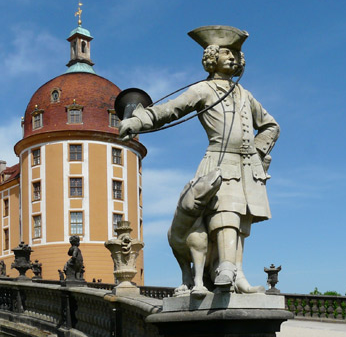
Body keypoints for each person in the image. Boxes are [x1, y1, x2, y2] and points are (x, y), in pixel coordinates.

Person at [119, 25, 279, 293]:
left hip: (246, 164)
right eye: (227, 52)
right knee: (225, 212)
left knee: (241, 220)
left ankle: (237, 272)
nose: (233, 57)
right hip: (219, 160)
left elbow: (271, 126)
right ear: (212, 56)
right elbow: (169, 110)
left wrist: (257, 152)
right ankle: (225, 267)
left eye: (236, 54)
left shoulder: (245, 94)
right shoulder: (203, 89)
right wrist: (138, 120)